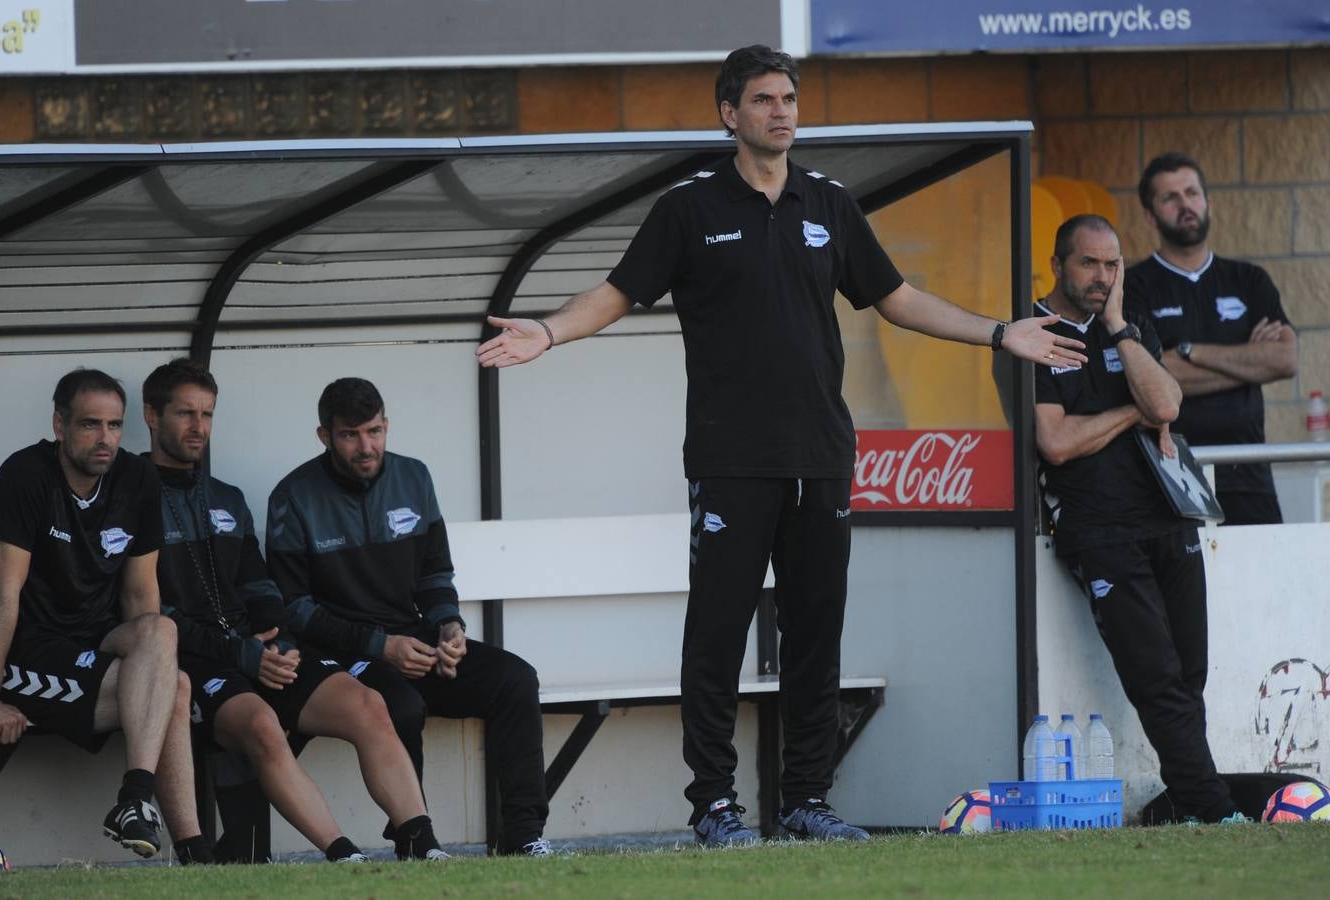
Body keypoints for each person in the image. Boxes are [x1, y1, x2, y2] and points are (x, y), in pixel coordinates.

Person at [475, 44, 1086, 846]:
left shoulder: (827, 202)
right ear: (730, 114)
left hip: (823, 455)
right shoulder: (689, 207)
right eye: (764, 99)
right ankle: (715, 807)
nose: (782, 111)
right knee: (718, 636)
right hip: (731, 460)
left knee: (815, 634)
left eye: (790, 98)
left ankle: (807, 800)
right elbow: (619, 294)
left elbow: (897, 299)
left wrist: (1002, 333)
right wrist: (548, 332)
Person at [142, 358, 445, 863]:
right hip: (198, 663)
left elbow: (261, 588)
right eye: (185, 414)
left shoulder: (225, 497)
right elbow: (151, 612)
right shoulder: (131, 498)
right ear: (152, 417)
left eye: (208, 415)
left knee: (369, 705)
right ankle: (343, 853)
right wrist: (242, 653)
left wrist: (277, 642)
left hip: (261, 654)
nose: (199, 428)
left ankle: (421, 842)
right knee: (262, 724)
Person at [266, 377, 550, 857]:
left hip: (415, 641)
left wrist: (448, 626)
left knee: (516, 680)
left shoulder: (413, 477)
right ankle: (417, 841)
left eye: (374, 432)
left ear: (387, 425)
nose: (365, 446)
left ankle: (523, 837)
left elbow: (436, 573)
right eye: (350, 435)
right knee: (402, 705)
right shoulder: (293, 495)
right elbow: (294, 608)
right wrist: (380, 646)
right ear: (324, 436)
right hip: (345, 653)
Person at [1035, 214, 1245, 825]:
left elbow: (1167, 404)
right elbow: (1057, 442)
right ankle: (1215, 812)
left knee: (1189, 675)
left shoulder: (1128, 328)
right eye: (1089, 264)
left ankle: (1186, 802)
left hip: (1170, 518)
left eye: (1113, 265)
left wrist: (1120, 326)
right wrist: (1131, 415)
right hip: (1100, 532)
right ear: (1058, 265)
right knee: (1157, 680)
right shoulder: (1034, 336)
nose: (1102, 277)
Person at [0, 368, 213, 863]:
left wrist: (158, 663)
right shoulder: (23, 476)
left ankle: (136, 802)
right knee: (178, 691)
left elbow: (140, 594)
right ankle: (192, 851)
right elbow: (2, 593)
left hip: (92, 643)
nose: (105, 439)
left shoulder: (136, 478)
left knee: (163, 636)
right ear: (59, 426)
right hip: (27, 650)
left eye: (114, 426)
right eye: (90, 425)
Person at [1124, 152, 1298, 525]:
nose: (1185, 204)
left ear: (1208, 202)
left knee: (1261, 582)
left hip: (1249, 476)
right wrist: (1251, 363)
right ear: (1150, 216)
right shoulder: (1134, 288)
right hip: (1168, 476)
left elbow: (1284, 359)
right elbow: (1153, 379)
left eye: (1192, 193)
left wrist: (1189, 352)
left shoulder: (1249, 280)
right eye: (1170, 197)